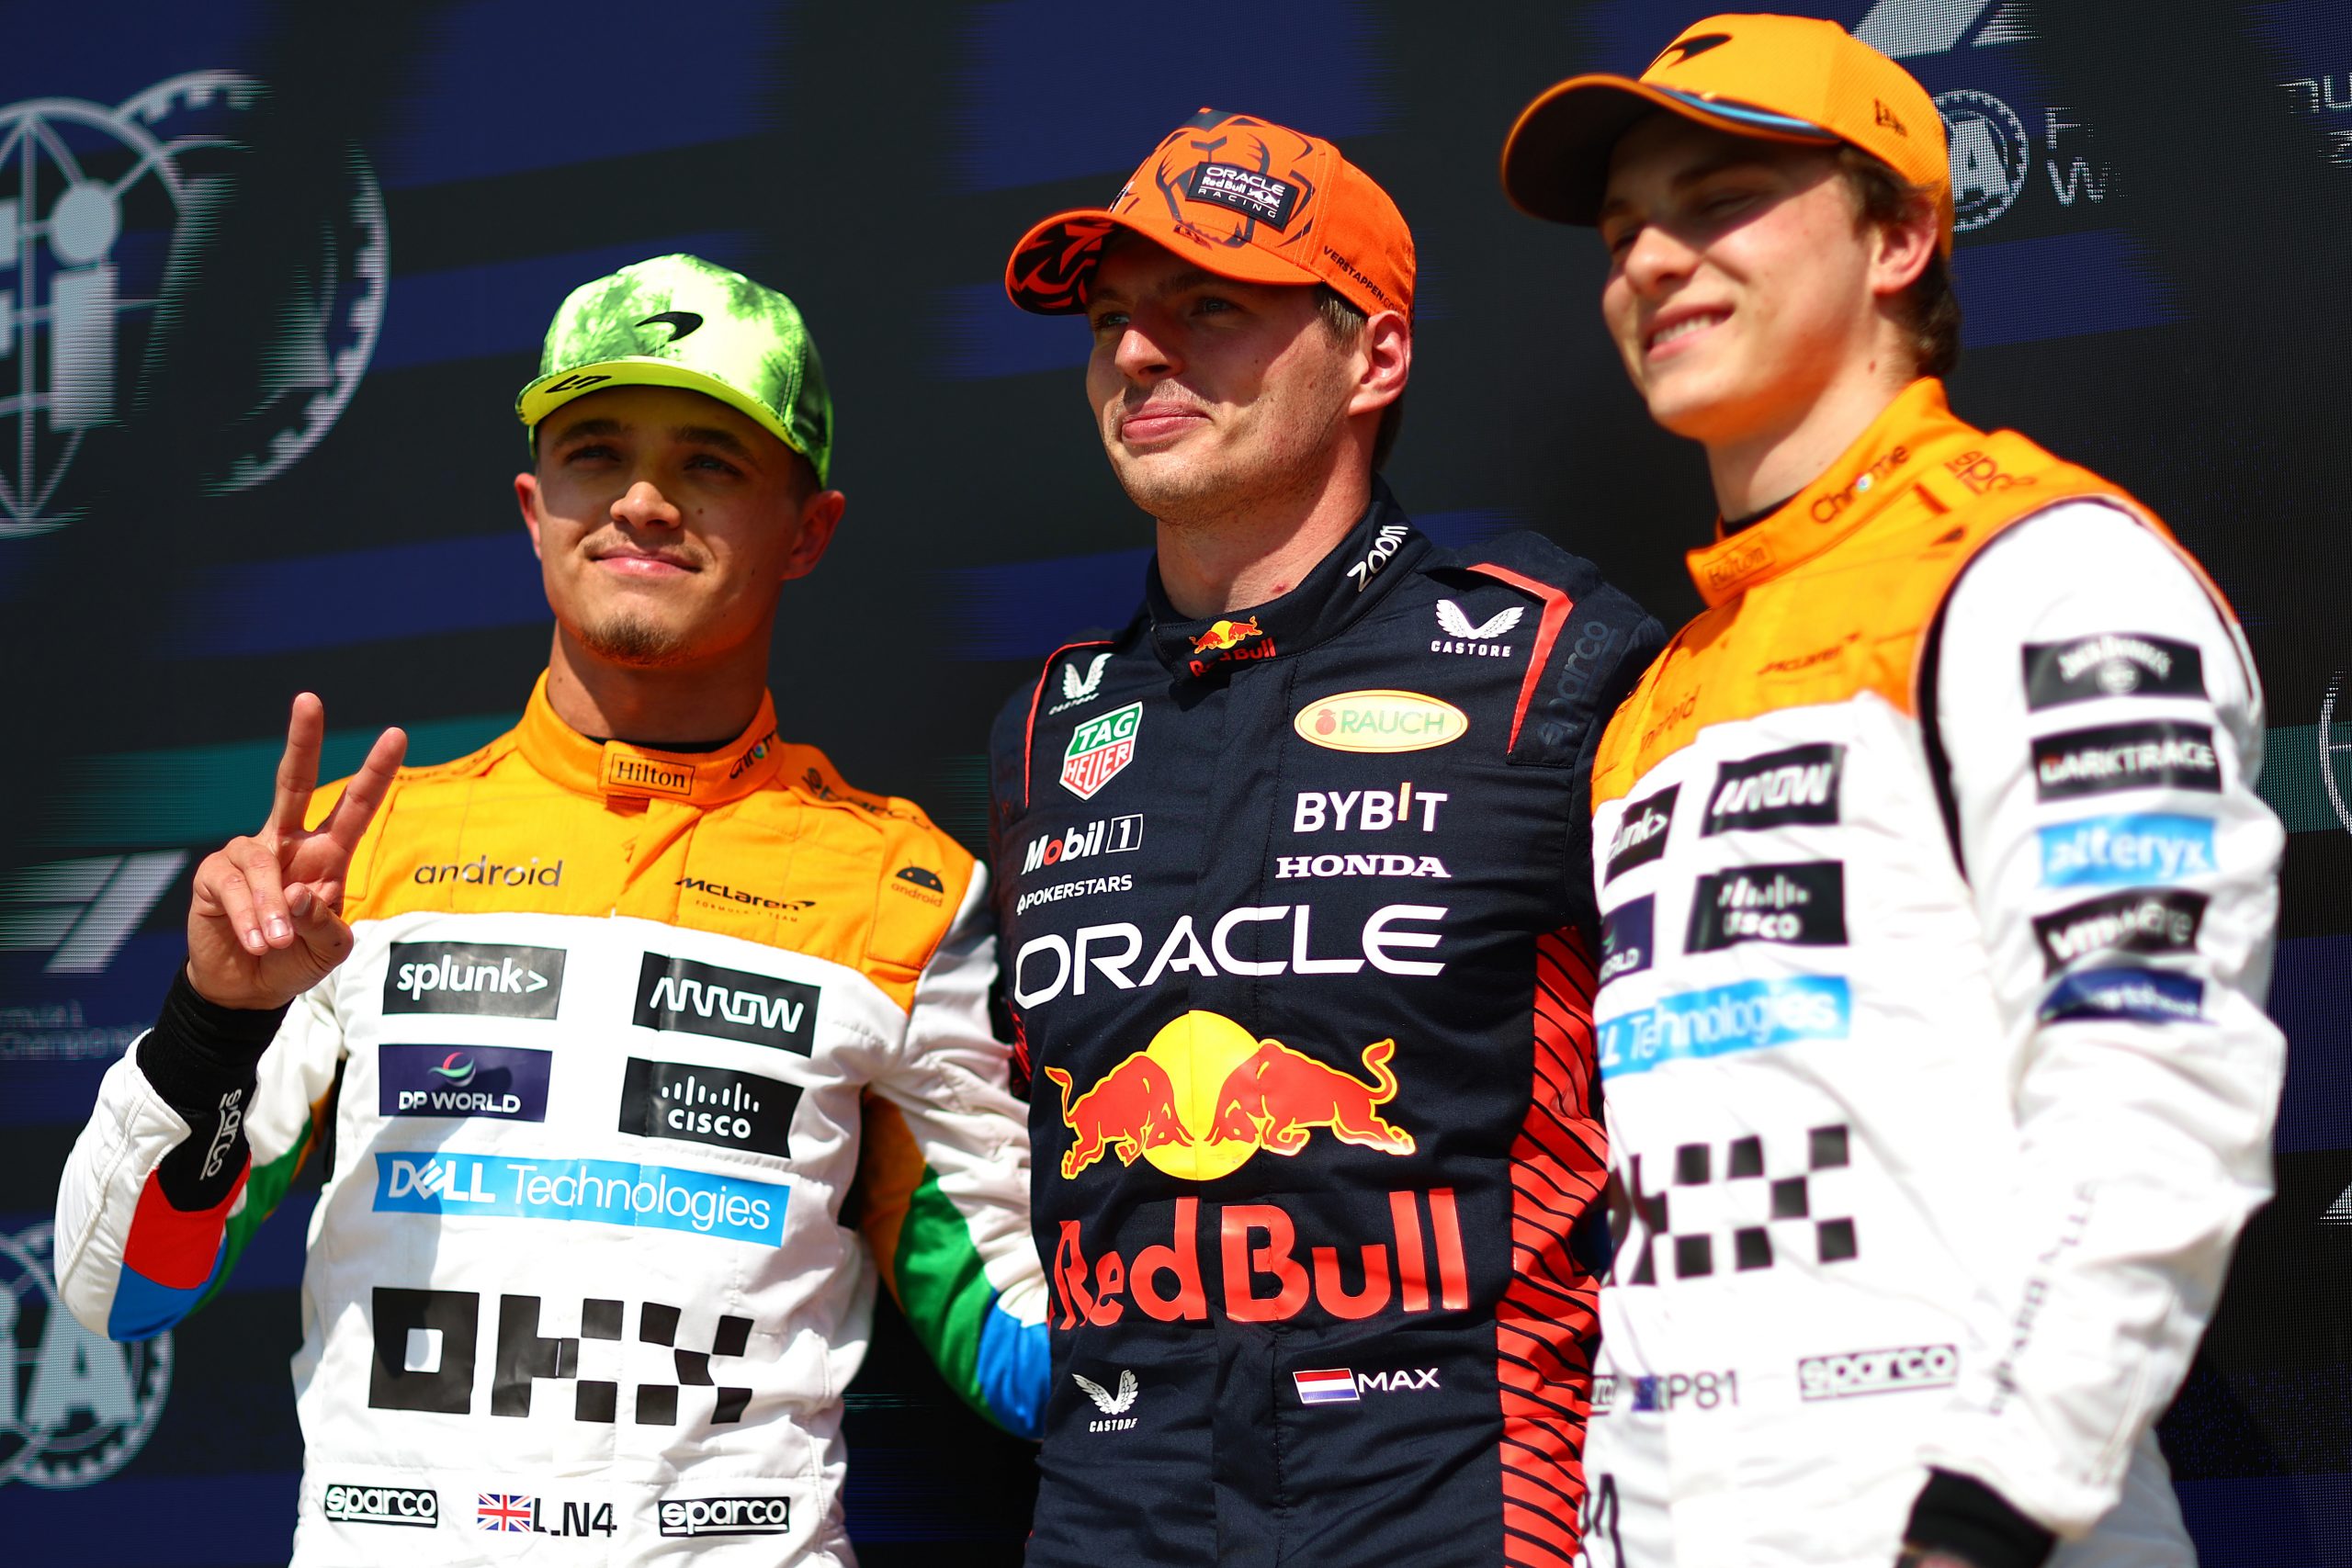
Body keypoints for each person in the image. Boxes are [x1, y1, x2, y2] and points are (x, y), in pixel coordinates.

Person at [55, 254, 1046, 1566]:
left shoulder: (907, 889)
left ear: (807, 531)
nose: (641, 500)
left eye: (710, 461)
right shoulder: (364, 850)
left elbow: (1027, 1347)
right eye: (595, 452)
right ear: (534, 507)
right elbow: (114, 1289)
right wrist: (211, 1025)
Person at [1500, 17, 2285, 1567]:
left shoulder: (2044, 570)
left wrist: (1988, 1516)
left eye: (1718, 199)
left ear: (1905, 235)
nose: (1653, 259)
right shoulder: (1666, 684)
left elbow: (2154, 1082)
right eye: (1623, 231)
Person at [990, 108, 1665, 1566]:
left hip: (1463, 1502)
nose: (1139, 357)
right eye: (1112, 320)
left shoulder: (1554, 662)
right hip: (1117, 1513)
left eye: (1208, 309)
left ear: (1376, 355)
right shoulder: (1051, 723)